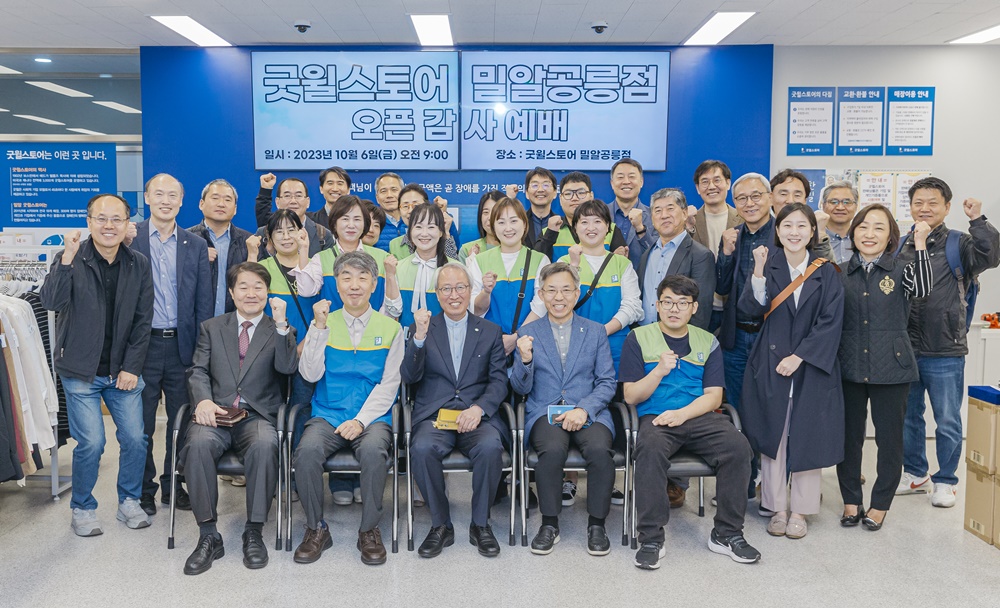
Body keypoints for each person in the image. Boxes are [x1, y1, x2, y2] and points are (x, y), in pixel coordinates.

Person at [623, 275, 760, 569]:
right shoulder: (638, 338)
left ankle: (727, 534)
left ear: (694, 307)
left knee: (738, 448)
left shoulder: (707, 341)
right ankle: (651, 538)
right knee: (649, 450)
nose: (674, 309)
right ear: (657, 305)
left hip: (698, 416)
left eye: (682, 303)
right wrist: (658, 371)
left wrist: (683, 414)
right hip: (655, 417)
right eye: (668, 302)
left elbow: (714, 396)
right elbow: (631, 395)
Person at [40, 194, 154, 536]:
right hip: (80, 371)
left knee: (136, 439)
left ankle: (129, 500)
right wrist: (67, 258)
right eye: (101, 218)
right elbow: (51, 301)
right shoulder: (71, 257)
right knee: (91, 443)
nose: (109, 225)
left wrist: (132, 367)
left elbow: (142, 321)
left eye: (116, 219)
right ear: (89, 222)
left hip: (123, 370)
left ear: (127, 223)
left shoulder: (138, 263)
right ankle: (83, 507)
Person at [180, 262, 298, 575]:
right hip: (217, 412)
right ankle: (208, 535)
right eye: (243, 287)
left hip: (256, 415)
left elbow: (287, 369)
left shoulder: (279, 329)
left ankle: (254, 531)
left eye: (258, 287)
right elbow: (198, 369)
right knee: (197, 445)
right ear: (232, 293)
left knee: (264, 445)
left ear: (268, 292)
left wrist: (282, 325)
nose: (251, 293)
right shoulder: (212, 327)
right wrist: (203, 400)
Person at [739, 203, 845, 540]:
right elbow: (749, 310)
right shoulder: (767, 263)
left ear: (812, 231)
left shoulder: (827, 271)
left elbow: (831, 321)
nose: (794, 232)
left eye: (801, 226)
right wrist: (757, 272)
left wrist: (800, 356)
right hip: (770, 363)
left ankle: (800, 510)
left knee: (808, 434)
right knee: (773, 432)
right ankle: (777, 508)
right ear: (778, 230)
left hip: (812, 365)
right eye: (787, 225)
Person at [895, 177, 1000, 507]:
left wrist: (978, 220)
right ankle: (915, 473)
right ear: (910, 206)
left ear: (947, 207)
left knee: (948, 420)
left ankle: (946, 480)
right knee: (908, 417)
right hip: (905, 347)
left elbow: (991, 256)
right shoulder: (900, 244)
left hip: (945, 348)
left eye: (932, 203)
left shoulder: (960, 243)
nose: (924, 208)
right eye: (918, 202)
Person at [293, 252, 401, 565]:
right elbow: (309, 374)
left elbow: (390, 384)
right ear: (337, 285)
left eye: (362, 278)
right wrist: (318, 329)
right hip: (327, 413)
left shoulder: (391, 328)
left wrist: (361, 420)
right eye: (346, 278)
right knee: (306, 452)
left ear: (374, 285)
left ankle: (369, 529)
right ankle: (316, 528)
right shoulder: (324, 323)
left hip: (372, 417)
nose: (354, 285)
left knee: (374, 452)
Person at [400, 263, 509, 558]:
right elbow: (409, 377)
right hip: (436, 416)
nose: (454, 295)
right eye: (446, 288)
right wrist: (419, 338)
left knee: (490, 447)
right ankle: (441, 525)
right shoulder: (422, 329)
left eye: (460, 287)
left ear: (470, 290)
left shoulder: (490, 331)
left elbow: (499, 381)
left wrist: (479, 408)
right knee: (421, 448)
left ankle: (480, 524)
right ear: (437, 294)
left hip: (476, 415)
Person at [511, 262, 617, 556]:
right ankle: (549, 524)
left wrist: (584, 409)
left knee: (599, 450)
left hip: (588, 411)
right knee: (552, 451)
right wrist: (525, 360)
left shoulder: (595, 331)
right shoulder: (527, 331)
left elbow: (607, 381)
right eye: (551, 290)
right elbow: (520, 388)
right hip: (545, 412)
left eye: (566, 290)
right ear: (541, 294)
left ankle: (597, 525)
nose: (559, 297)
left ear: (576, 293)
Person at [837, 205, 933, 531]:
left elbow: (923, 289)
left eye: (879, 228)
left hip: (892, 367)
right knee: (848, 439)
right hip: (848, 366)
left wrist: (920, 244)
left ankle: (880, 504)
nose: (869, 234)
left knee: (889, 441)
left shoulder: (903, 269)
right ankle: (851, 500)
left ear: (891, 235)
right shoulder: (839, 272)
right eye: (863, 227)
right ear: (853, 233)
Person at [130, 173, 213, 516]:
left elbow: (204, 302)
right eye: (159, 194)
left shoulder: (195, 245)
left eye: (172, 195)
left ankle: (173, 485)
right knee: (141, 426)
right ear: (147, 197)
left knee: (181, 424)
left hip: (183, 347)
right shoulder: (130, 239)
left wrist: (202, 352)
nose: (166, 201)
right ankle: (143, 489)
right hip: (142, 347)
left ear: (181, 201)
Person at [560, 200, 642, 371]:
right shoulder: (564, 263)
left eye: (597, 221)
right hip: (573, 345)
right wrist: (573, 267)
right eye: (584, 222)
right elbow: (560, 304)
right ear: (575, 228)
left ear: (608, 227)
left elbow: (632, 306)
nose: (591, 228)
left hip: (616, 346)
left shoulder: (622, 264)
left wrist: (603, 331)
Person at [292, 195, 401, 321]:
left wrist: (374, 325)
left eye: (357, 219)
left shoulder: (382, 258)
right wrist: (303, 249)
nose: (351, 225)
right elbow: (306, 291)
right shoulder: (321, 258)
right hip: (333, 330)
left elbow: (393, 307)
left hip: (374, 329)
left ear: (365, 223)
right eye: (345, 219)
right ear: (334, 223)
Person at [468, 197, 549, 357]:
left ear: (524, 224)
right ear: (493, 226)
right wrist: (486, 292)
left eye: (513, 221)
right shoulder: (479, 261)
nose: (508, 228)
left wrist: (516, 337)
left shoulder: (540, 260)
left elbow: (541, 305)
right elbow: (474, 309)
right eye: (501, 222)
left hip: (530, 344)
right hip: (488, 346)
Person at [259, 210, 318, 411]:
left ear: (301, 233)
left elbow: (325, 310)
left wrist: (305, 344)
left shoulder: (315, 266)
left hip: (309, 349)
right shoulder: (262, 269)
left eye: (291, 230)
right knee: (272, 409)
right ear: (270, 237)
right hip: (272, 351)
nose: (286, 237)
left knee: (301, 409)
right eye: (279, 231)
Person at [638, 188, 715, 330]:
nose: (664, 215)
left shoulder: (701, 256)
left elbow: (701, 312)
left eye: (670, 209)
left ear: (684, 213)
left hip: (677, 337)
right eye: (658, 210)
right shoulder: (647, 255)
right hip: (644, 334)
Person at [188, 179, 261, 317]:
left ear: (235, 209)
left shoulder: (249, 242)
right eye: (215, 198)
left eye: (227, 200)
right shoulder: (186, 240)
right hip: (196, 321)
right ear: (201, 204)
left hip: (236, 321)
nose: (221, 204)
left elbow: (257, 284)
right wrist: (197, 257)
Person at [688, 160, 742, 333]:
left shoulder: (744, 219)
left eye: (717, 180)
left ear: (728, 183)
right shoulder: (689, 221)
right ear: (697, 188)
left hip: (735, 307)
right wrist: (687, 228)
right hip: (700, 307)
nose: (711, 186)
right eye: (705, 182)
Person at [534, 172, 627, 262]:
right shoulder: (549, 231)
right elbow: (536, 263)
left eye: (581, 193)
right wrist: (550, 234)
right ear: (560, 199)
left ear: (591, 196)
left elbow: (620, 263)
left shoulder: (610, 229)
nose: (574, 198)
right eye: (568, 194)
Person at [396, 203, 458, 329]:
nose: (424, 234)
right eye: (418, 227)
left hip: (446, 337)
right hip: (406, 337)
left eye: (431, 227)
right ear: (410, 232)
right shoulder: (398, 268)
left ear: (441, 232)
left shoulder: (456, 269)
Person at [254, 174, 333, 257]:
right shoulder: (263, 234)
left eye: (298, 196)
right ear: (277, 202)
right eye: (287, 196)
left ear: (308, 202)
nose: (293, 201)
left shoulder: (323, 235)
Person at [388, 183, 459, 259]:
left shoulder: (438, 237)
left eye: (416, 206)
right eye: (405, 206)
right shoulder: (394, 244)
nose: (410, 211)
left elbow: (453, 264)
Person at [607, 158, 656, 268]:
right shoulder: (599, 215)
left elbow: (659, 254)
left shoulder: (654, 216)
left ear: (641, 182)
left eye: (632, 177)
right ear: (612, 183)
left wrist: (640, 229)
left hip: (642, 278)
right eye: (620, 177)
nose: (626, 181)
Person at [509, 166, 560, 249]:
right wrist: (509, 199)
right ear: (526, 193)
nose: (540, 190)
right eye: (535, 185)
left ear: (555, 193)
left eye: (546, 185)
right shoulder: (518, 222)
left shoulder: (562, 224)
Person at [820, 181, 859, 264]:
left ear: (856, 206)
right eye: (834, 202)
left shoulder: (862, 238)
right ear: (823, 205)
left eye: (847, 202)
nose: (840, 207)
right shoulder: (814, 239)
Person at [459, 190, 504, 263]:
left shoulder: (517, 249)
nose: (490, 217)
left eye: (495, 212)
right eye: (486, 212)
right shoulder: (467, 250)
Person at [374, 172, 406, 250]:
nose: (389, 195)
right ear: (377, 198)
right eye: (383, 191)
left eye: (394, 190)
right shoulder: (371, 226)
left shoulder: (414, 221)